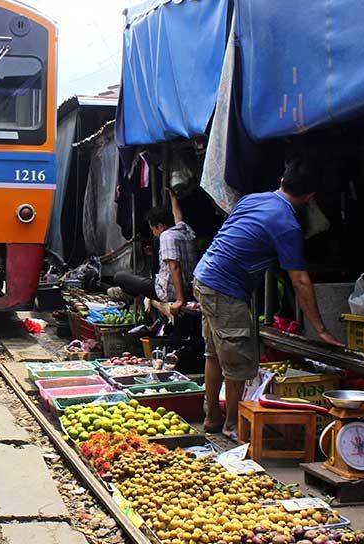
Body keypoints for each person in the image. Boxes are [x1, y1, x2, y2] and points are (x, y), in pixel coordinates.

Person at [192, 158, 343, 440]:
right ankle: (233, 425)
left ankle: (212, 416)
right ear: (310, 197)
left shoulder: (253, 199)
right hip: (224, 287)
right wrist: (321, 329)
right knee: (237, 363)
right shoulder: (287, 223)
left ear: (283, 181)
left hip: (205, 275)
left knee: (214, 353)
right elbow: (299, 280)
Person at [113, 191, 197, 314]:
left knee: (119, 277)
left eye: (153, 230)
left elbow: (174, 267)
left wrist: (179, 300)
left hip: (166, 292)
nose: (153, 233)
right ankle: (134, 293)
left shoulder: (166, 236)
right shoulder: (187, 231)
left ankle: (132, 295)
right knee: (143, 279)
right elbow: (178, 216)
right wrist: (173, 198)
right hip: (188, 289)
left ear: (161, 226)